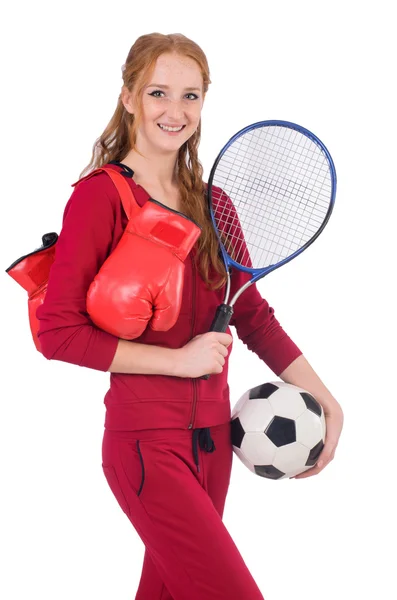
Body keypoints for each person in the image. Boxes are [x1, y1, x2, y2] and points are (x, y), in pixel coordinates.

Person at [36, 32, 344, 600]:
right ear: (128, 96)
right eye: (158, 92)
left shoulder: (213, 202)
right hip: (146, 446)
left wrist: (326, 398)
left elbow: (250, 313)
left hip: (213, 443)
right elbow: (56, 334)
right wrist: (179, 362)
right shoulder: (99, 199)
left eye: (191, 96)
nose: (174, 111)